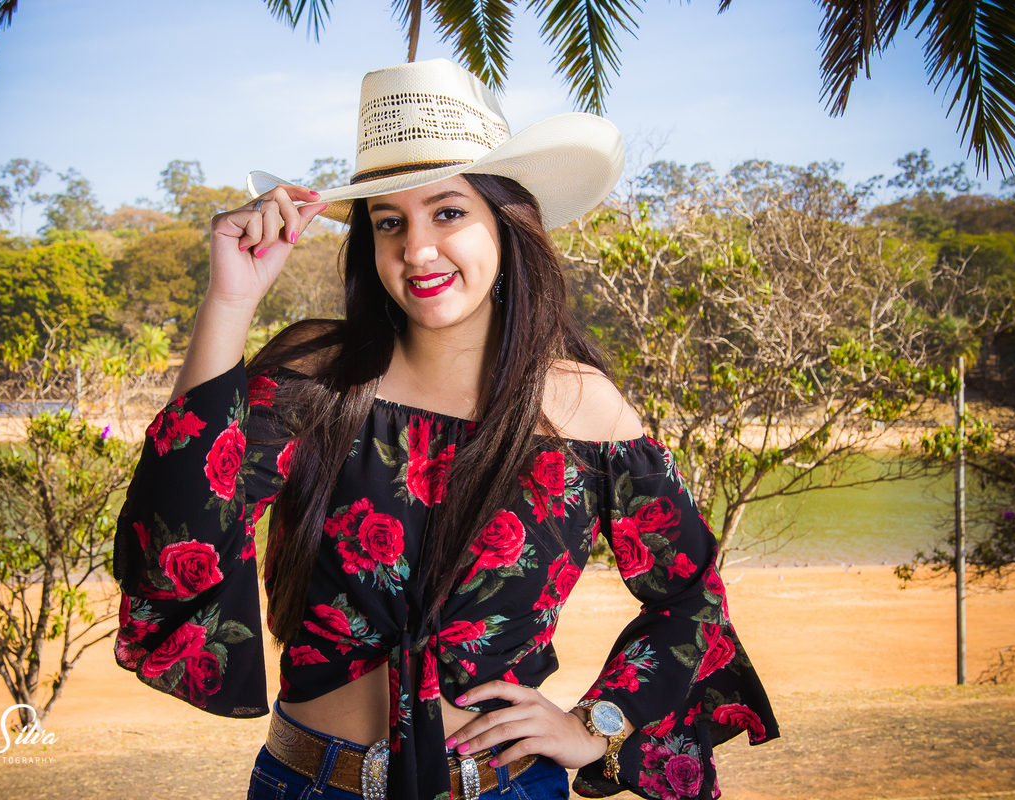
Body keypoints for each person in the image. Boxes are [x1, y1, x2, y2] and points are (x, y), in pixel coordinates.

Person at [112, 58, 778, 800]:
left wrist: (594, 727)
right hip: (308, 782)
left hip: (506, 788)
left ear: (506, 223)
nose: (417, 250)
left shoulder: (582, 408)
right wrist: (229, 305)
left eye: (448, 212)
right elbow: (173, 541)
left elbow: (691, 596)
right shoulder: (318, 379)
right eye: (389, 222)